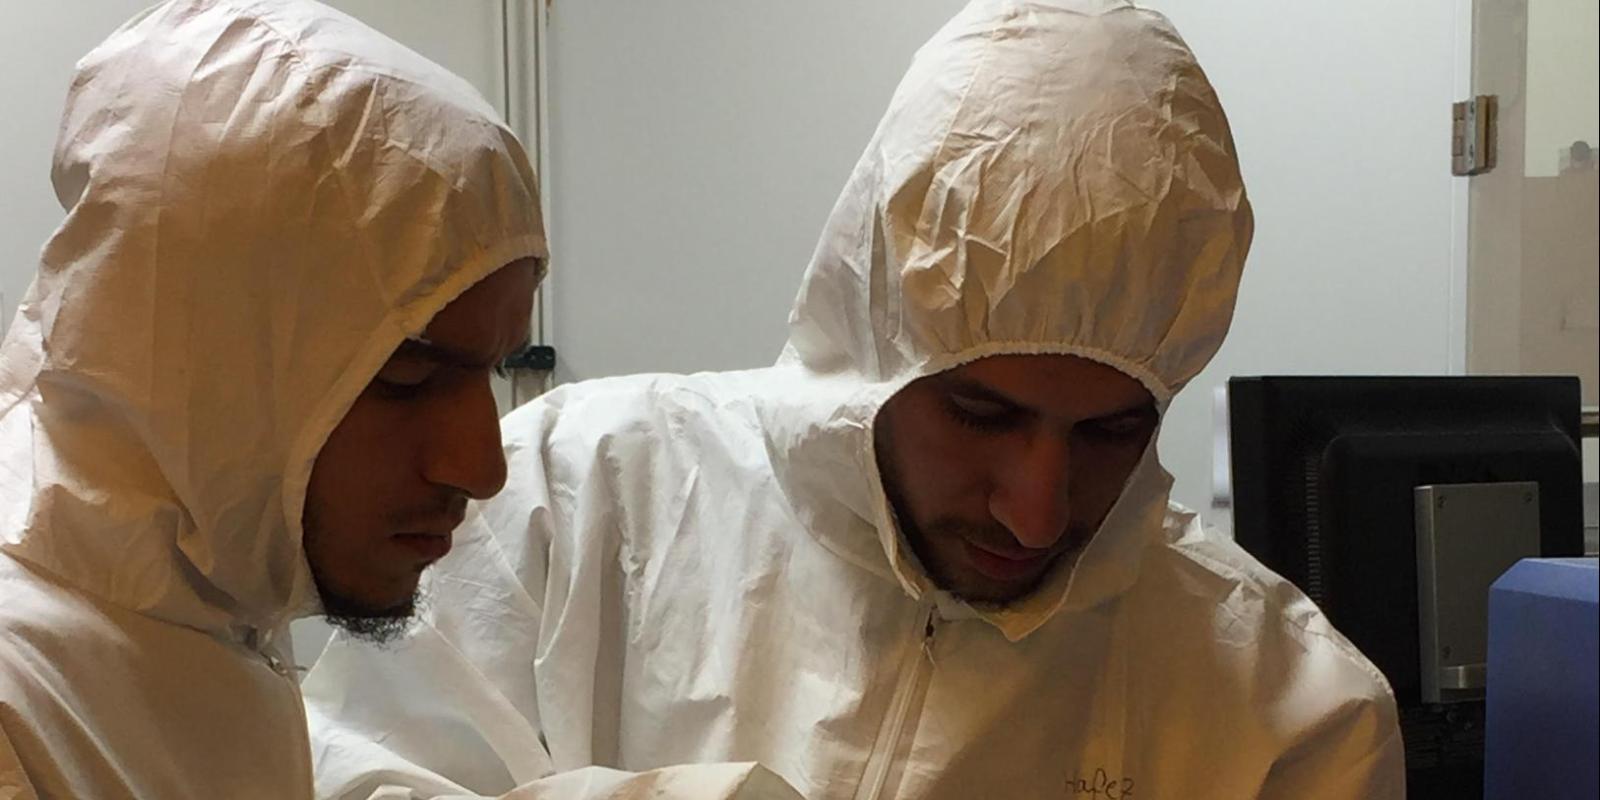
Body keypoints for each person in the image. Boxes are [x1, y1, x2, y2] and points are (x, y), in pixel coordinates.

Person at [305, 1, 1404, 798]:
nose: (1034, 508)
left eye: (1110, 429)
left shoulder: (1283, 705)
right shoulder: (575, 492)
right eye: (981, 414)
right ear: (873, 340)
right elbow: (341, 770)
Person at [0, 2, 788, 798]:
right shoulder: (24, 710)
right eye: (407, 379)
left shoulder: (204, 612)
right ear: (201, 358)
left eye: (496, 367)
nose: (481, 469)